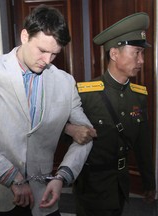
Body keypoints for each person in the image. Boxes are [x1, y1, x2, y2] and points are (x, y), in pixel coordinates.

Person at [0, 5, 94, 216]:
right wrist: (12, 177)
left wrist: (62, 177)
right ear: (24, 36)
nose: (47, 61)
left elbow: (87, 134)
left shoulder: (65, 82)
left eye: (54, 54)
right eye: (42, 50)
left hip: (44, 198)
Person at [65, 12, 156, 216]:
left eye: (143, 53)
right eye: (136, 52)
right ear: (114, 54)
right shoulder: (85, 93)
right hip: (91, 186)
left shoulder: (139, 96)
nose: (141, 60)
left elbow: (143, 143)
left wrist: (149, 182)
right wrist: (70, 129)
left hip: (120, 185)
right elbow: (57, 131)